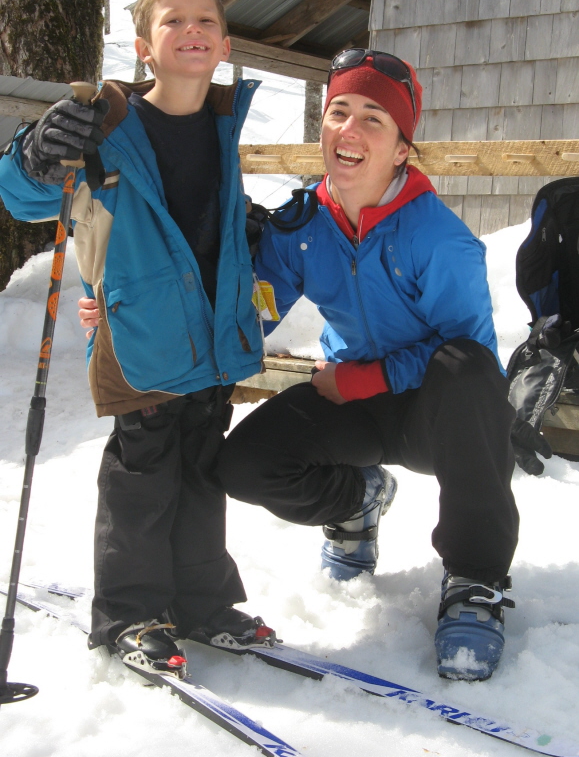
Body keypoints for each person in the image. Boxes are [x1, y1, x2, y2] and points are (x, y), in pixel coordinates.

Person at [0, 0, 276, 678]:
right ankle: (130, 611)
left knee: (200, 468)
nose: (192, 30)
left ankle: (202, 600)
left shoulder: (222, 120)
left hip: (209, 333)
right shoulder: (109, 119)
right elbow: (29, 197)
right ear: (144, 47)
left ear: (223, 42)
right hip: (138, 332)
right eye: (174, 20)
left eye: (205, 20)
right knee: (143, 472)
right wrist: (34, 153)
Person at [215, 49, 522, 682]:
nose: (349, 131)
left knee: (466, 373)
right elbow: (253, 319)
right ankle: (359, 499)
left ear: (402, 148)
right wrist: (228, 268)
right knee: (243, 465)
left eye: (373, 118)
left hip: (439, 413)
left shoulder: (437, 238)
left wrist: (364, 378)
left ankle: (474, 579)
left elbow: (471, 358)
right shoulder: (303, 226)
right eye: (339, 112)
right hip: (354, 404)